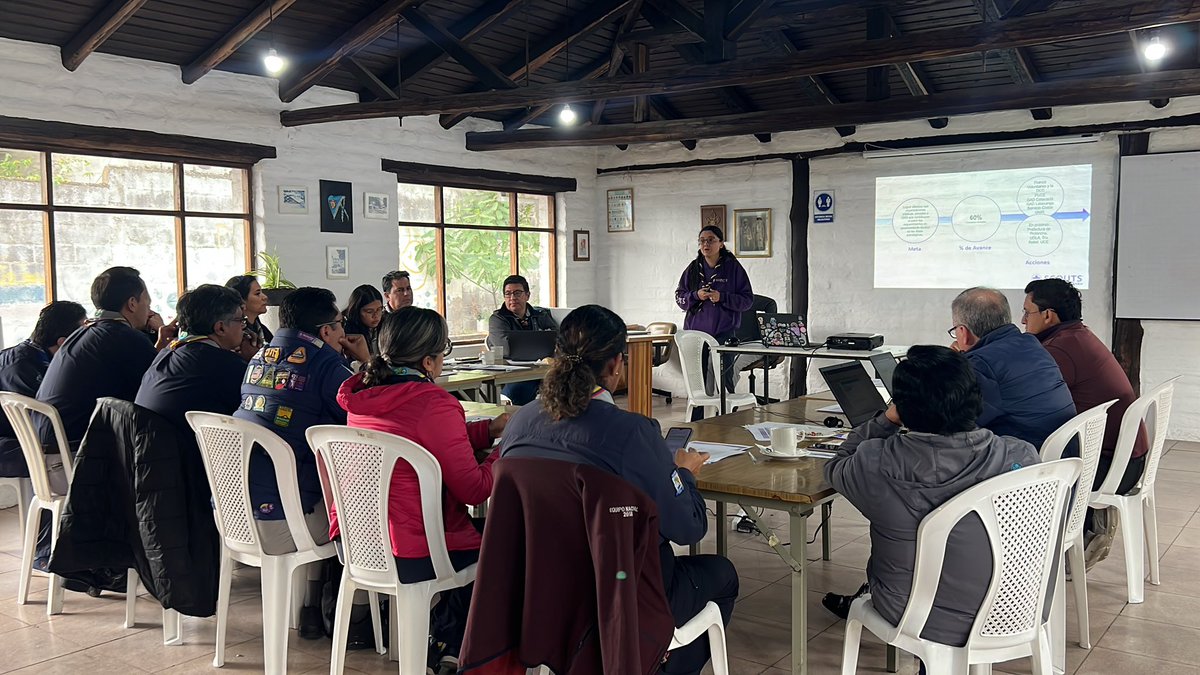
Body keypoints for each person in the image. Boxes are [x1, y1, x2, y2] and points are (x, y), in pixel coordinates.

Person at [500, 305, 738, 675]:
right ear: (615, 365)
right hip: (621, 594)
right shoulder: (631, 432)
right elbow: (689, 528)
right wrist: (683, 475)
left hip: (542, 589)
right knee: (722, 575)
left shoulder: (521, 422)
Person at [821, 345, 1041, 648]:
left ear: (903, 408)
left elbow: (837, 465)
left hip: (915, 615)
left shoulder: (875, 464)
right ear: (975, 398)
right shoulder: (1022, 457)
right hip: (1015, 610)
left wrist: (887, 420)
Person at [336, 307, 507, 674]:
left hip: (362, 541)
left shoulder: (362, 394)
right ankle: (456, 646)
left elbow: (418, 439)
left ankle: (443, 643)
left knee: (478, 539)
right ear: (429, 362)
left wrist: (486, 431)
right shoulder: (433, 403)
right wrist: (504, 450)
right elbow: (475, 490)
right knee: (504, 541)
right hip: (414, 548)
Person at [232, 286, 370, 641]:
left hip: (237, 514)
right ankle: (355, 619)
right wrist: (366, 363)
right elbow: (369, 418)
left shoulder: (259, 357)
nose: (344, 331)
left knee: (321, 491)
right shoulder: (326, 365)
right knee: (362, 509)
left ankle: (310, 608)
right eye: (340, 324)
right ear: (326, 331)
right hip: (288, 520)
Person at [1022, 278, 1148, 564]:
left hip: (1110, 467)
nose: (1023, 320)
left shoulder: (1060, 349)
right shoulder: (1076, 336)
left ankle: (1039, 557)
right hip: (1125, 459)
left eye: (1027, 312)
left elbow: (1032, 400)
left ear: (1048, 315)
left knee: (1018, 460)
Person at [36, 266, 177, 447]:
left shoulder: (83, 333)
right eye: (148, 304)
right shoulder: (125, 337)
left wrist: (160, 345)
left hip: (47, 440)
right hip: (76, 448)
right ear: (132, 304)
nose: (149, 311)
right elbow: (158, 388)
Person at [949, 287, 1075, 449]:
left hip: (1029, 459)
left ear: (963, 332)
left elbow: (955, 422)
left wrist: (954, 368)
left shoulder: (981, 364)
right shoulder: (1030, 343)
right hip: (1062, 454)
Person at [135, 284, 249, 433]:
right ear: (220, 328)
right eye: (241, 320)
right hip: (189, 446)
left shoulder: (168, 351)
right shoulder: (224, 364)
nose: (243, 327)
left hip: (149, 443)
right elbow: (255, 409)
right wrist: (253, 363)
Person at [0, 301, 87, 478]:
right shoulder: (22, 368)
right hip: (14, 448)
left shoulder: (30, 354)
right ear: (64, 342)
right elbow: (44, 424)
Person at [673, 225, 753, 416]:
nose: (705, 244)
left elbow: (747, 301)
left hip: (724, 332)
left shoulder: (733, 268)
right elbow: (679, 297)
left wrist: (722, 297)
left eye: (710, 240)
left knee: (724, 378)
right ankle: (697, 422)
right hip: (695, 333)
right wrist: (696, 295)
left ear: (721, 243)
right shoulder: (693, 268)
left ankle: (727, 419)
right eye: (702, 241)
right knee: (697, 380)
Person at [487, 274, 558, 405]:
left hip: (544, 369)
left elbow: (556, 340)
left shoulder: (540, 315)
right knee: (520, 391)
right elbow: (506, 349)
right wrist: (540, 347)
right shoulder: (498, 319)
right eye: (508, 294)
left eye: (517, 293)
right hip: (514, 372)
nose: (512, 298)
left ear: (527, 295)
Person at [225, 274, 273, 357]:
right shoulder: (235, 336)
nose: (265, 297)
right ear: (241, 300)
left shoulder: (262, 330)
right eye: (257, 293)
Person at [342, 284, 384, 357]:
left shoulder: (386, 323)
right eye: (369, 311)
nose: (376, 315)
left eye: (379, 309)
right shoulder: (347, 331)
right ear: (357, 312)